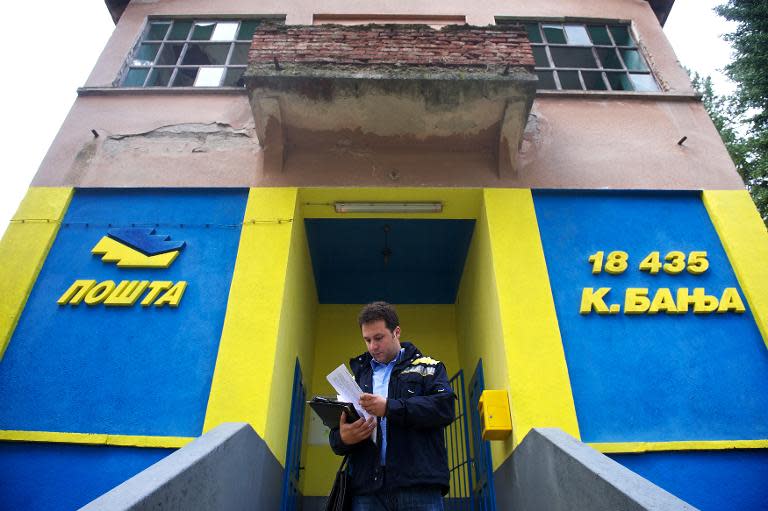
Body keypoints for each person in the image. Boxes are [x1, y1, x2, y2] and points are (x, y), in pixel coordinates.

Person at [329, 301, 455, 511]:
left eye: (378, 338)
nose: (372, 346)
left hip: (418, 488)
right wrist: (343, 438)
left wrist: (390, 407)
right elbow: (335, 436)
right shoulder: (356, 378)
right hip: (367, 491)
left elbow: (444, 408)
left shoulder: (429, 367)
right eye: (367, 340)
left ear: (396, 332)